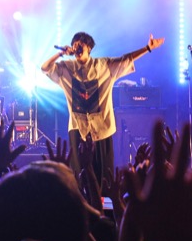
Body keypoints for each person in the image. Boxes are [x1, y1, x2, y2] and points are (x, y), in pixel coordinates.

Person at [41, 31, 164, 179]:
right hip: (78, 129)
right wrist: (60, 54)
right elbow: (45, 68)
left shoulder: (104, 66)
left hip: (102, 129)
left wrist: (147, 48)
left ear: (89, 48)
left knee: (104, 176)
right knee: (80, 175)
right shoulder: (66, 68)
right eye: (74, 44)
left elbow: (126, 59)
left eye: (81, 44)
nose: (77, 47)